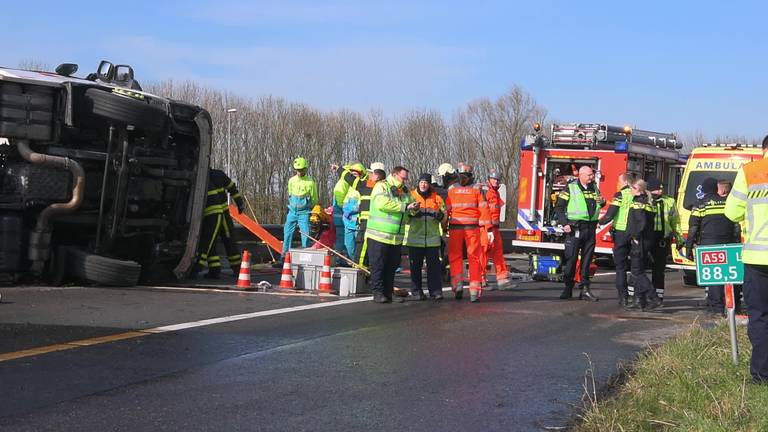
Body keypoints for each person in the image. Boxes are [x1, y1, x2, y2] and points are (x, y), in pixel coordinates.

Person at [724, 137, 768, 383]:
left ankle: (762, 375)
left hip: (758, 258)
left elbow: (731, 212)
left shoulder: (751, 172)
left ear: (764, 149)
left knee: (760, 316)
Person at [686, 177, 741, 316]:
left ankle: (716, 309)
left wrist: (689, 247)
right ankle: (734, 306)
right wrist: (736, 242)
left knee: (714, 278)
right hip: (729, 243)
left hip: (709, 244)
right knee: (729, 276)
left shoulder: (700, 204)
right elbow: (736, 224)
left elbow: (693, 227)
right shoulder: (727, 202)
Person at [365, 166, 417, 303]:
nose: (405, 181)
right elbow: (382, 203)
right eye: (402, 178)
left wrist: (413, 210)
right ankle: (377, 293)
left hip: (395, 237)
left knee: (391, 266)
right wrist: (405, 207)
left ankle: (388, 293)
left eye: (406, 178)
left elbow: (410, 206)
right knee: (378, 265)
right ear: (394, 175)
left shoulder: (405, 191)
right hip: (379, 234)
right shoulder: (382, 186)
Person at [554, 166, 605, 301]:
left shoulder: (594, 188)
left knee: (587, 261)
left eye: (592, 175)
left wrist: (603, 202)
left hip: (590, 228)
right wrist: (564, 223)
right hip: (575, 228)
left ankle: (585, 289)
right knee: (571, 259)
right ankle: (568, 287)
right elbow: (559, 207)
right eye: (589, 175)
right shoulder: (571, 188)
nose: (592, 177)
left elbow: (600, 203)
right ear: (581, 175)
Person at [446, 164, 493, 302]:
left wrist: (443, 226)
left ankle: (457, 285)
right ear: (471, 175)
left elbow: (446, 210)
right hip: (472, 228)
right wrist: (488, 229)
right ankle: (474, 290)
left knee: (455, 257)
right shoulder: (477, 189)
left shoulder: (452, 189)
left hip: (455, 228)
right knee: (474, 258)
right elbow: (484, 209)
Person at [193, 168, 244, 278]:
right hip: (220, 213)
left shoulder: (201, 178)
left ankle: (236, 269)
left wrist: (239, 202)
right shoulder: (218, 174)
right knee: (223, 241)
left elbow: (231, 187)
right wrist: (239, 202)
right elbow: (232, 188)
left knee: (209, 241)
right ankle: (216, 270)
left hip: (216, 214)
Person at [405, 173, 447, 300]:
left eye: (426, 182)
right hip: (415, 239)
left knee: (434, 268)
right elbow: (404, 216)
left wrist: (440, 216)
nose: (423, 184)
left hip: (432, 240)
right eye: (421, 182)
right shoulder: (411, 196)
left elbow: (445, 215)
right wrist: (412, 213)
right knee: (415, 268)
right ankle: (417, 292)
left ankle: (435, 291)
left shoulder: (437, 198)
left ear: (429, 184)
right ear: (418, 183)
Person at [624, 178, 663, 311]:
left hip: (640, 240)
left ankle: (654, 297)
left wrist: (635, 236)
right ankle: (639, 301)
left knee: (637, 272)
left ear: (638, 189)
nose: (630, 190)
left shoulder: (639, 202)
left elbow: (641, 222)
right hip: (647, 239)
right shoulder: (648, 201)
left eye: (632, 188)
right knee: (638, 269)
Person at [598, 172, 635, 306]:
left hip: (621, 234)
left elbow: (610, 215)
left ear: (625, 182)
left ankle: (623, 297)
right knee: (637, 268)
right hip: (637, 235)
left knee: (621, 268)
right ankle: (638, 296)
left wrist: (599, 222)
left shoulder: (621, 195)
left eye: (619, 182)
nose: (618, 185)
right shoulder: (639, 194)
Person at [646, 177, 683, 303]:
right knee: (638, 268)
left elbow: (675, 221)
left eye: (661, 189)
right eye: (657, 189)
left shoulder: (669, 201)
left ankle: (658, 296)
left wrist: (679, 237)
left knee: (659, 270)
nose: (660, 192)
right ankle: (638, 296)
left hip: (662, 239)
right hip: (646, 238)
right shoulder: (644, 200)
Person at [280, 157, 318, 263]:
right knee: (287, 233)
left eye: (301, 169)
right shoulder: (291, 181)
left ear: (305, 169)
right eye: (298, 170)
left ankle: (305, 258)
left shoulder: (310, 182)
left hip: (304, 212)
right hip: (292, 211)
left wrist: (309, 207)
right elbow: (290, 194)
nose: (299, 172)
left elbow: (314, 198)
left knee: (305, 234)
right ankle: (284, 256)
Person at [480, 169, 512, 290]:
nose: (496, 181)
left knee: (498, 253)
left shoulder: (495, 192)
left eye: (497, 180)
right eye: (494, 179)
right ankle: (480, 279)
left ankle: (502, 279)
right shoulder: (486, 192)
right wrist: (488, 229)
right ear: (489, 179)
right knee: (484, 253)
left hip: (494, 228)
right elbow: (484, 211)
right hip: (486, 228)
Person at [332, 163, 367, 261]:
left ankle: (358, 264)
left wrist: (352, 209)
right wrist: (345, 209)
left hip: (357, 223)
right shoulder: (350, 188)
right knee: (348, 245)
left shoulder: (363, 188)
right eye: (352, 174)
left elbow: (363, 205)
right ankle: (352, 262)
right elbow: (344, 201)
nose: (353, 176)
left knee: (358, 246)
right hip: (347, 222)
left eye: (356, 174)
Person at [354, 167, 386, 268]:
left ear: (376, 176)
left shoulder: (366, 186)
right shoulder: (387, 188)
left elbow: (349, 179)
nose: (369, 176)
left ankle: (360, 267)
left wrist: (338, 169)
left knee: (362, 245)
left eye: (371, 174)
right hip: (379, 224)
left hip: (367, 222)